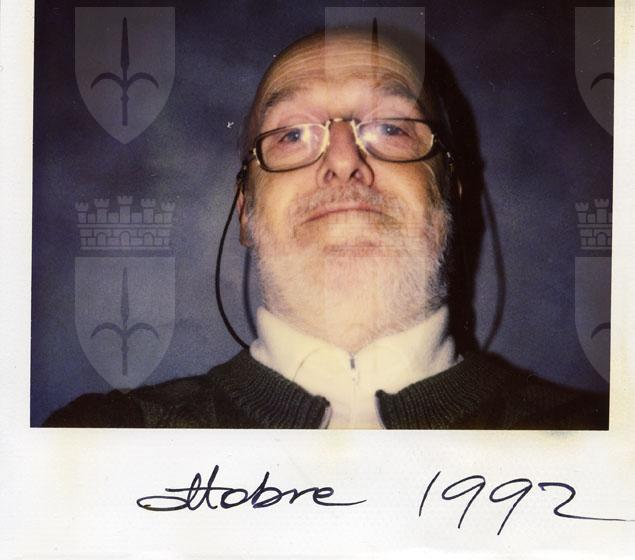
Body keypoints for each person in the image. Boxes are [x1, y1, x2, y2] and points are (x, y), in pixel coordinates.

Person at [45, 27, 608, 429]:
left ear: (452, 195)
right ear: (246, 212)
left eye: (391, 127)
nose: (342, 160)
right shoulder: (100, 441)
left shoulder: (598, 440)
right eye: (291, 135)